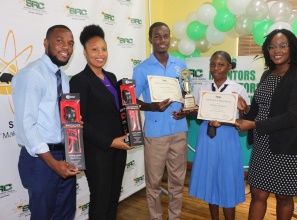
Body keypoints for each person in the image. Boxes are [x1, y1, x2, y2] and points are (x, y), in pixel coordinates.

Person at [235, 29, 297, 220]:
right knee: (257, 194)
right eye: (272, 47)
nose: (277, 50)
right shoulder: (267, 75)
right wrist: (244, 111)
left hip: (288, 146)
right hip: (263, 145)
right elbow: (263, 108)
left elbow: (292, 116)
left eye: (282, 45)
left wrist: (253, 125)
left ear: (292, 48)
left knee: (284, 197)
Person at [12, 25, 80, 220]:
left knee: (65, 214)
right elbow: (26, 124)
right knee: (42, 215)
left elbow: (56, 118)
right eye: (59, 40)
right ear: (46, 43)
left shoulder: (64, 78)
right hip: (40, 160)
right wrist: (52, 162)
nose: (66, 47)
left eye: (70, 43)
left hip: (64, 154)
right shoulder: (33, 74)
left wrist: (74, 123)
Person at [69, 24, 134, 220]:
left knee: (114, 198)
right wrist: (110, 141)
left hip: (118, 148)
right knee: (100, 200)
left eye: (104, 49)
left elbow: (117, 111)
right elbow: (82, 122)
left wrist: (131, 120)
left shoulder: (111, 77)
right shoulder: (79, 81)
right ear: (85, 52)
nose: (100, 54)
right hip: (97, 152)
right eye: (94, 49)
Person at [132, 22, 188, 220]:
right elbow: (132, 101)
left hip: (179, 130)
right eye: (157, 36)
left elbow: (186, 94)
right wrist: (152, 107)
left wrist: (185, 109)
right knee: (154, 183)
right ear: (150, 39)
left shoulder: (180, 65)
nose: (162, 40)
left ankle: (175, 217)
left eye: (165, 36)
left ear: (169, 38)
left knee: (177, 182)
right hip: (155, 134)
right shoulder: (141, 69)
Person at [188, 51, 250, 220]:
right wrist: (191, 111)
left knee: (227, 182)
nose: (216, 68)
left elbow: (244, 121)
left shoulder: (237, 89)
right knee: (211, 182)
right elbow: (201, 118)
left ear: (229, 67)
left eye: (221, 64)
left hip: (227, 139)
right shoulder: (205, 88)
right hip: (207, 138)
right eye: (213, 64)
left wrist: (243, 109)